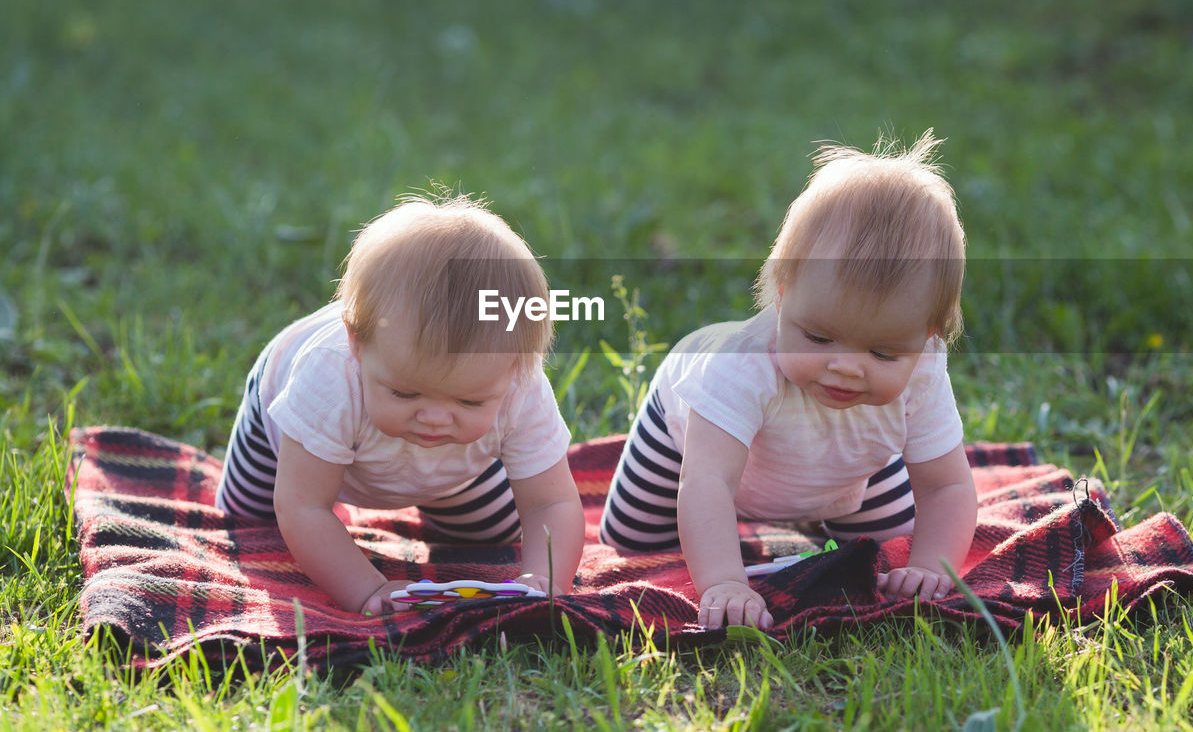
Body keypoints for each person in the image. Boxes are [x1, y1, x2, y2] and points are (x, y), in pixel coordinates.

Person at [599, 131, 977, 630]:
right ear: (782, 295)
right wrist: (725, 583)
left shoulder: (923, 373)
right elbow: (706, 483)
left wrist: (931, 568)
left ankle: (824, 511)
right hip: (689, 442)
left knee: (889, 551)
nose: (845, 367)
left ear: (927, 335)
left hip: (849, 464)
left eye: (884, 352)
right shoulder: (737, 368)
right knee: (635, 542)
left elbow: (947, 487)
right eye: (819, 338)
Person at [215, 193, 585, 615]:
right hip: (285, 436)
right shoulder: (325, 379)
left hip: (451, 468)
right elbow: (302, 505)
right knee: (248, 528)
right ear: (357, 343)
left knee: (493, 532)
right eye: (405, 393)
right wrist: (367, 589)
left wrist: (547, 580)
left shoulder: (520, 385)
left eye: (469, 400)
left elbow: (548, 503)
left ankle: (430, 466)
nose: (433, 418)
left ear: (516, 367)